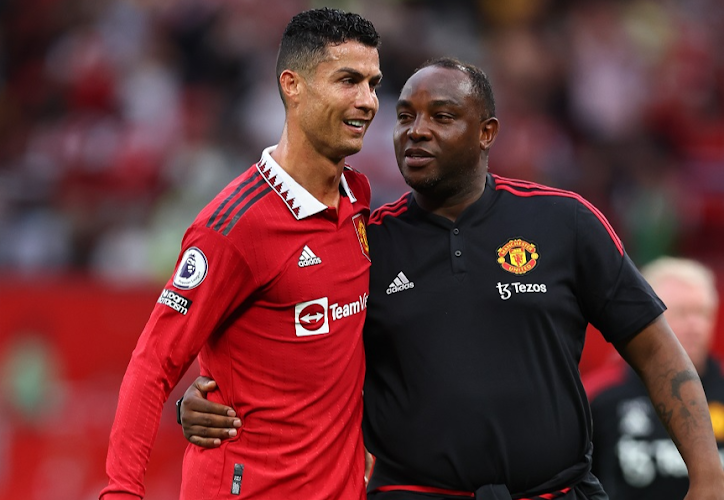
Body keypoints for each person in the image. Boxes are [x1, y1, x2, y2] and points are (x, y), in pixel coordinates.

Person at [178, 58, 724, 499]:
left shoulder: (566, 222)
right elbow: (290, 357)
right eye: (406, 117)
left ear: (486, 133)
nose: (417, 131)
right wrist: (199, 400)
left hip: (556, 492)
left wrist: (709, 479)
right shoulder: (365, 242)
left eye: (442, 116)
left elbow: (657, 351)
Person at [99, 8, 382, 500]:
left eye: (374, 83)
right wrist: (121, 492)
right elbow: (152, 365)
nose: (368, 101)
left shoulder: (358, 199)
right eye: (348, 81)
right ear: (292, 85)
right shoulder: (231, 228)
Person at [585, 257, 724, 499]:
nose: (696, 326)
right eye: (682, 313)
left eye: (702, 313)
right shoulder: (600, 394)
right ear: (649, 319)